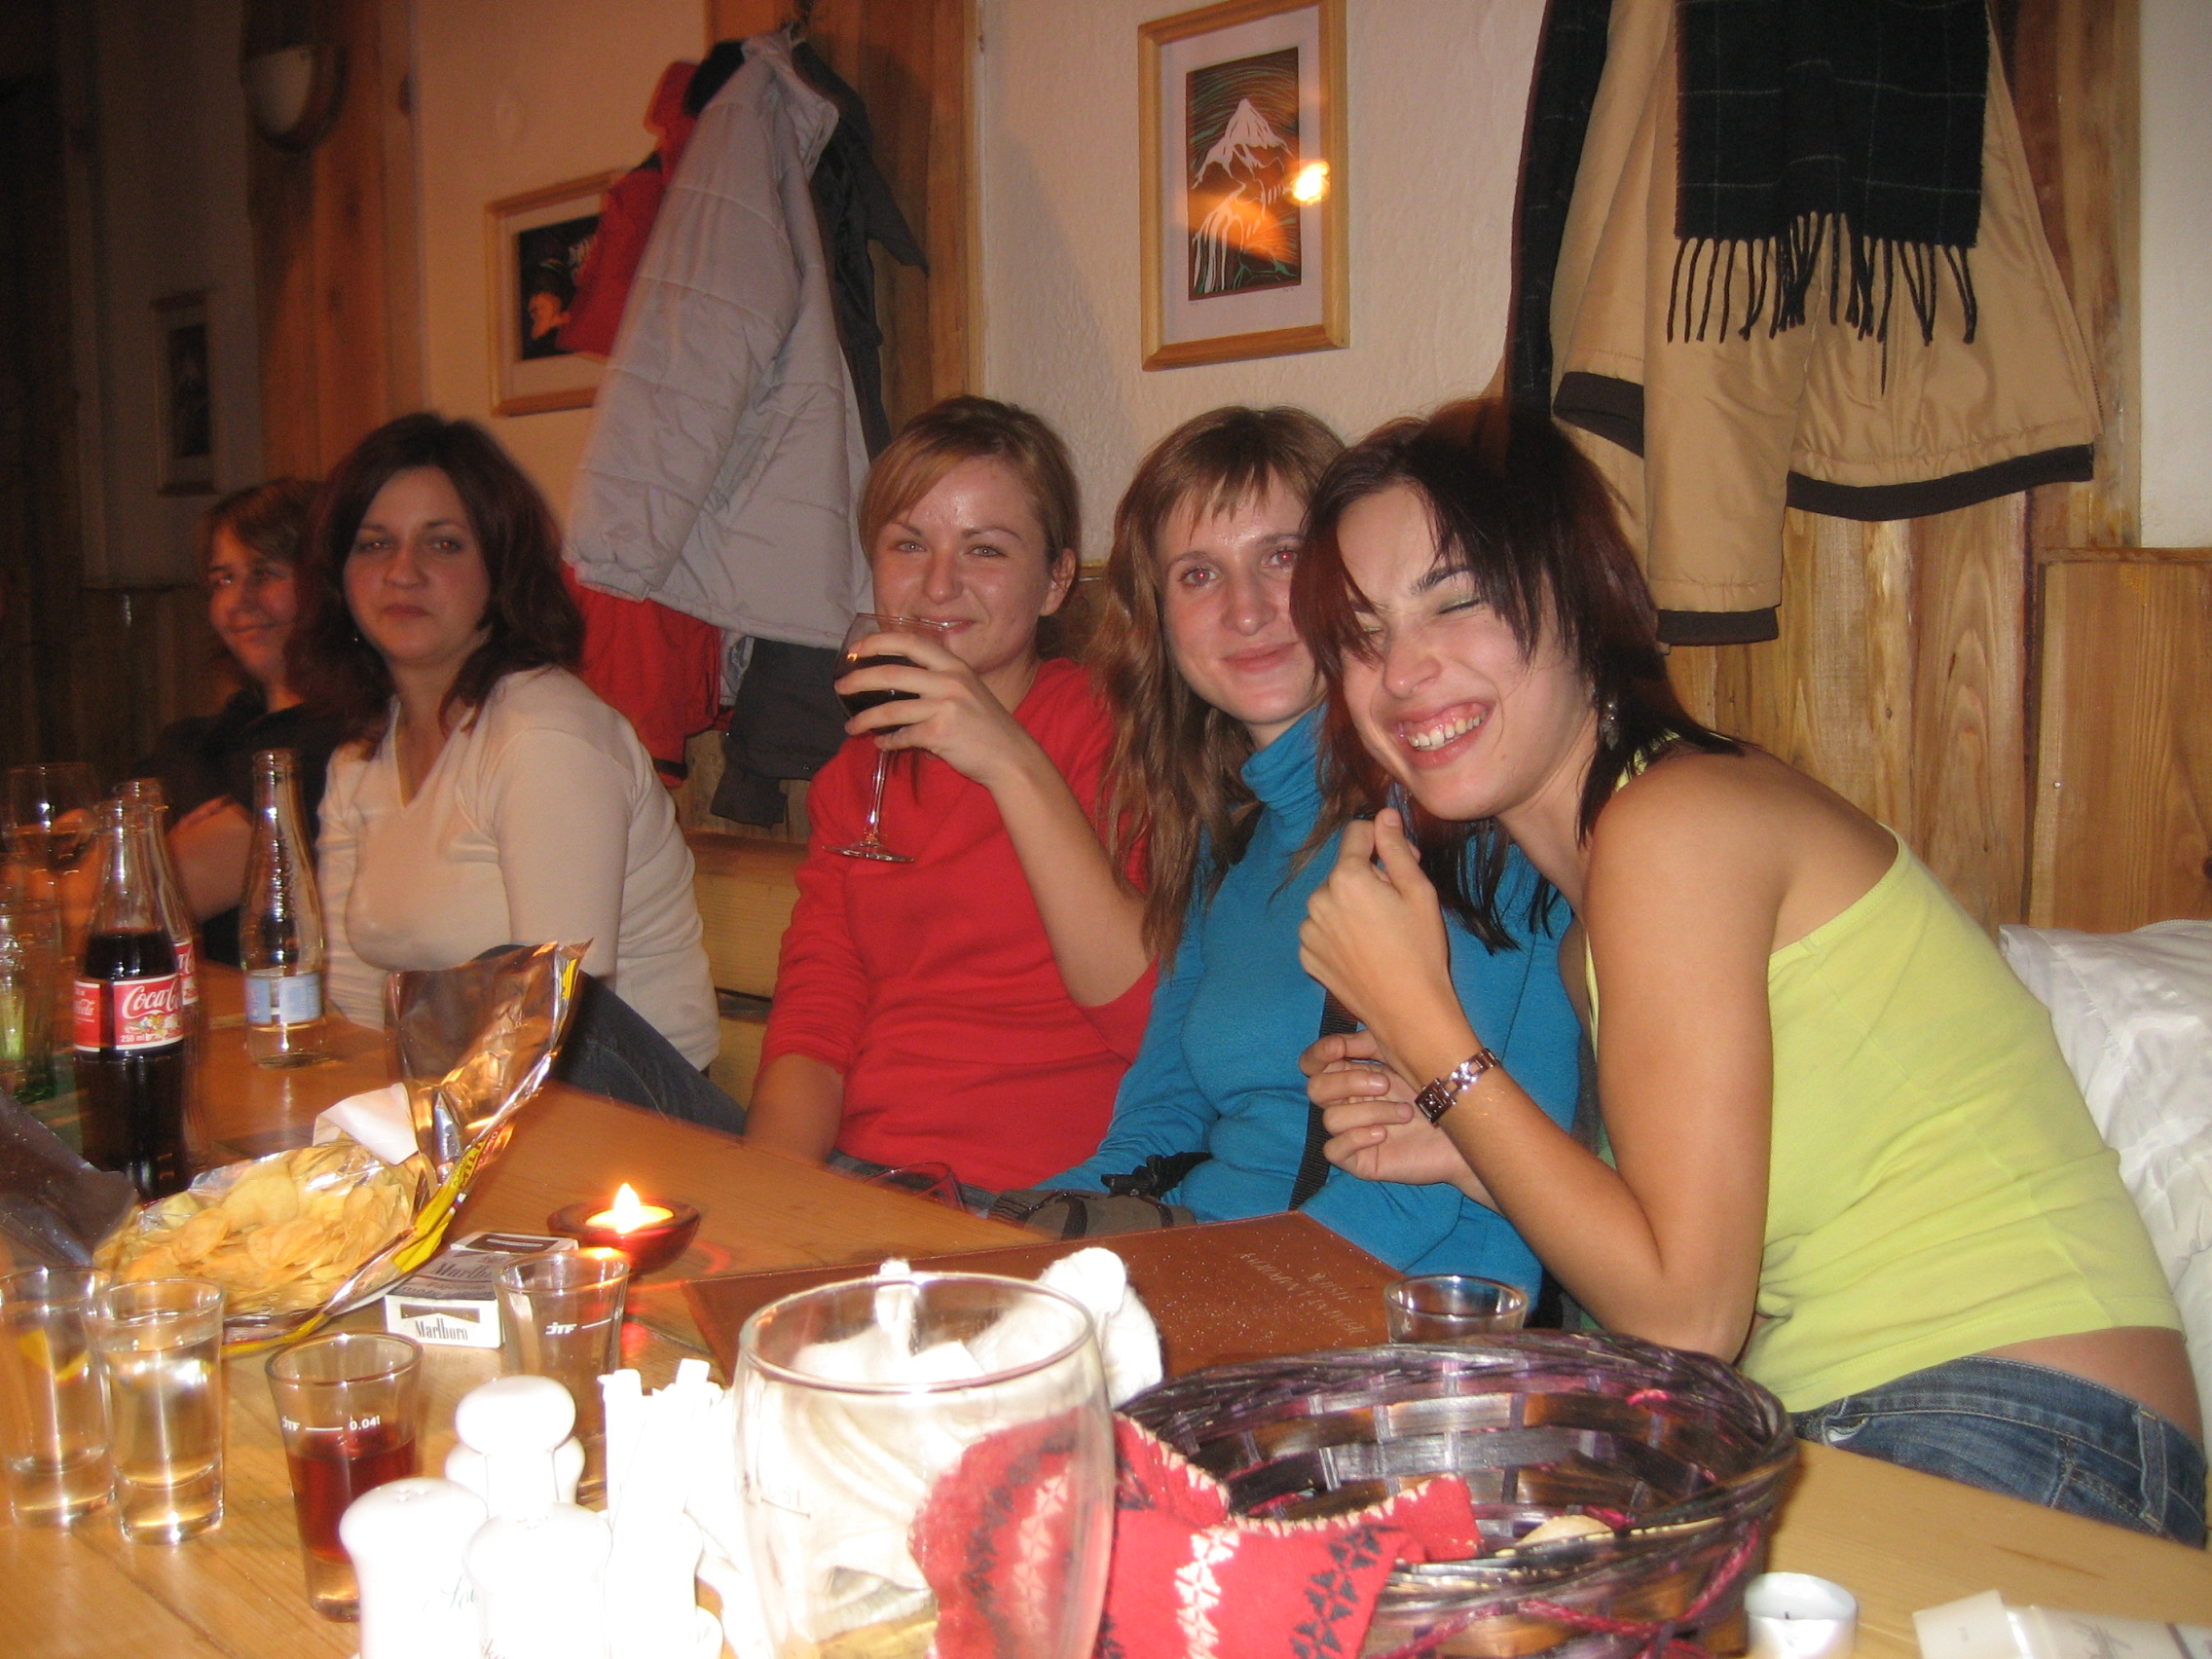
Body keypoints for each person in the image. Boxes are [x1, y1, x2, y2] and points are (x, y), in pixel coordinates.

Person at [1294, 397, 2203, 1542]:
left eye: (1456, 598)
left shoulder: (1678, 823)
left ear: (1577, 595)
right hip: (1865, 1426)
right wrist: (1471, 1148)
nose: (1402, 670)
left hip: (2025, 1425)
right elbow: (1691, 1260)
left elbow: (1683, 1318)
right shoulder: (1600, 912)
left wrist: (1423, 1023)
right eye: (1361, 636)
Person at [1049, 408, 1581, 1284]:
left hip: (1392, 1310)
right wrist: (1007, 1248)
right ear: (1157, 618)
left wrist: (1195, 1304)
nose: (1247, 610)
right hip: (1214, 1267)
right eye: (1198, 574)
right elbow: (1154, 1126)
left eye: (1282, 556)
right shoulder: (1227, 842)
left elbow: (1408, 1195)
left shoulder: (1453, 816)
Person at [749, 396, 1153, 1201]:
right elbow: (816, 1020)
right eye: (909, 544)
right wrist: (766, 1201)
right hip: (863, 1181)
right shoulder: (857, 769)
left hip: (1032, 1198)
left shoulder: (1111, 733)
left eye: (985, 549)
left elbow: (1145, 1015)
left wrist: (1008, 759)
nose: (938, 586)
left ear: (1055, 582)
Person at [290, 413, 732, 1129]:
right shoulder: (361, 755)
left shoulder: (544, 733)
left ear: (500, 568)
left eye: (443, 543)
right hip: (461, 1109)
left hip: (629, 1119)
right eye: (374, 544)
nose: (403, 571)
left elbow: (559, 1018)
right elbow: (355, 1003)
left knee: (521, 979)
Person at [132, 479, 342, 967]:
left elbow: (135, 906)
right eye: (223, 579)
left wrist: (140, 849)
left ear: (327, 586)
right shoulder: (192, 742)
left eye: (265, 573)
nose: (240, 600)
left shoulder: (331, 746)